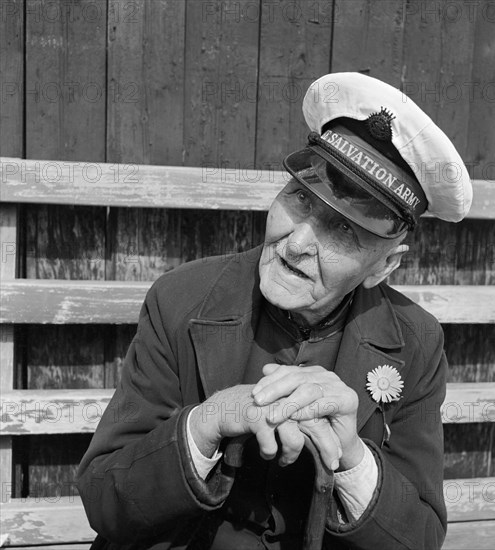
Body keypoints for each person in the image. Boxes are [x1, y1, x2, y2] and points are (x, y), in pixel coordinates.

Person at [78, 72, 472, 550]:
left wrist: (351, 457)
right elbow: (104, 498)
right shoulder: (181, 299)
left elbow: (421, 538)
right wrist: (206, 423)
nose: (299, 242)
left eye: (344, 232)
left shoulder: (416, 340)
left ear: (383, 266)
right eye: (300, 199)